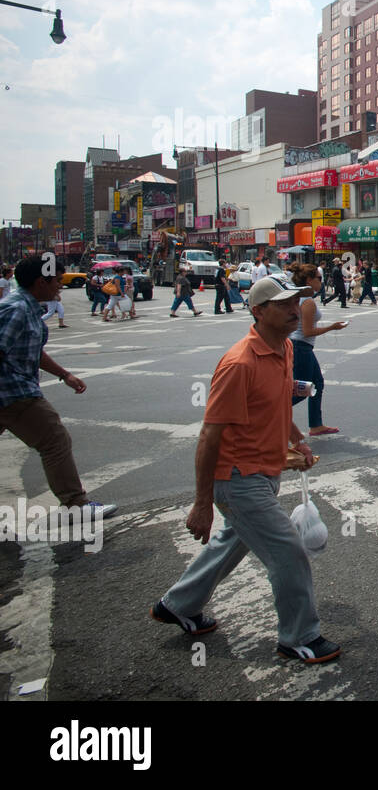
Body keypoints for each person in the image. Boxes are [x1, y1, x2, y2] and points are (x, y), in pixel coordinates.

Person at [150, 275, 338, 663]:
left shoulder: (284, 348)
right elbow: (209, 436)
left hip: (264, 471)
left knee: (230, 543)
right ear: (258, 312)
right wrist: (202, 503)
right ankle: (299, 636)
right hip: (237, 479)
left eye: (295, 302)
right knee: (288, 551)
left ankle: (178, 605)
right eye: (282, 304)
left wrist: (295, 438)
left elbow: (277, 402)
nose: (292, 309)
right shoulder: (239, 363)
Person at [0, 257, 116, 518]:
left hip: (13, 392)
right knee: (54, 440)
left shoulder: (28, 308)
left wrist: (64, 375)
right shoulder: (16, 309)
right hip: (13, 394)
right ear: (41, 282)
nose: (60, 287)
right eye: (57, 281)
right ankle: (77, 506)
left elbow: (33, 351)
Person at [287, 263, 347, 437]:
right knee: (303, 389)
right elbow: (308, 331)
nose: (321, 282)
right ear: (308, 280)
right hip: (301, 347)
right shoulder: (307, 302)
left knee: (317, 384)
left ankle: (316, 425)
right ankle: (270, 412)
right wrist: (332, 327)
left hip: (300, 346)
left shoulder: (300, 298)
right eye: (318, 279)